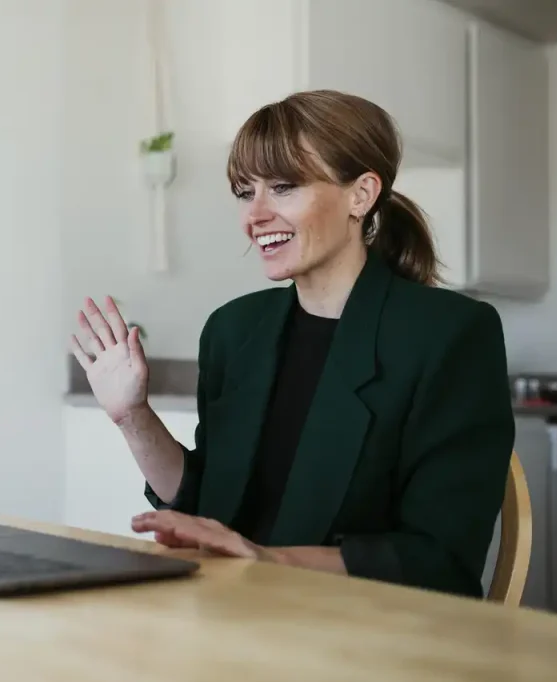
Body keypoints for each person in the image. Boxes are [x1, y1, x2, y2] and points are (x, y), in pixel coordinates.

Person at [68, 89, 515, 599]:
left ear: (361, 195)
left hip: (367, 631)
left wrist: (269, 559)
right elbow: (204, 505)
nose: (254, 215)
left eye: (283, 187)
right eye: (244, 191)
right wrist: (132, 416)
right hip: (233, 609)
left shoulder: (451, 334)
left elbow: (440, 558)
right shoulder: (233, 331)